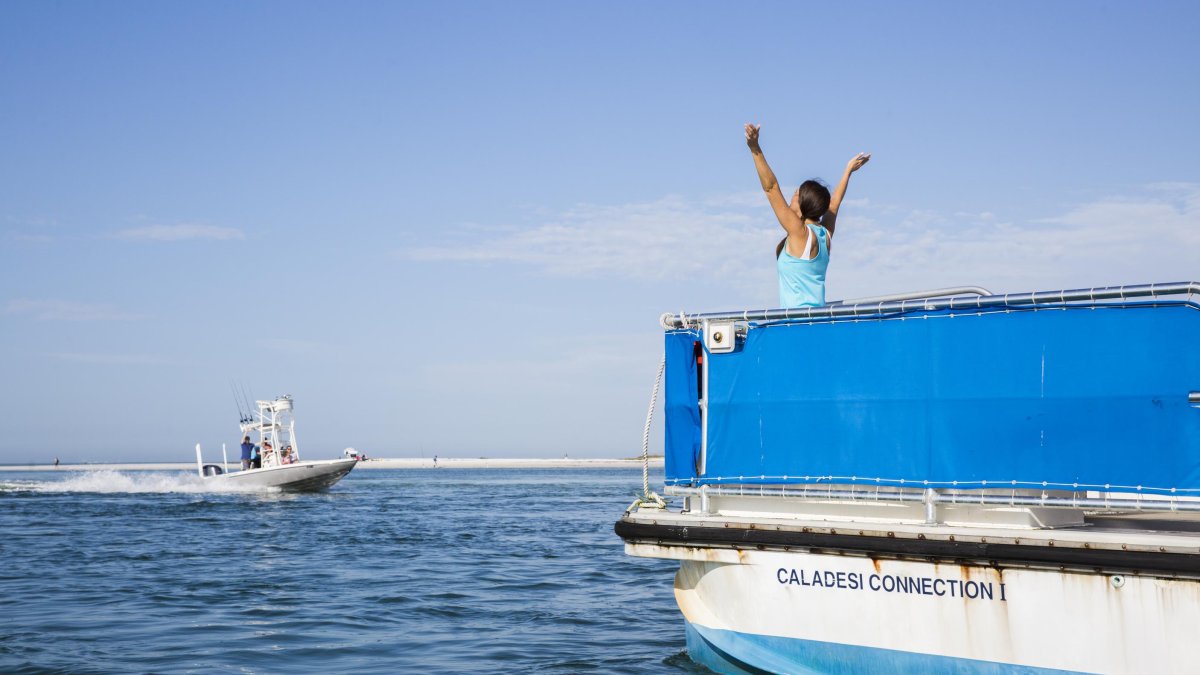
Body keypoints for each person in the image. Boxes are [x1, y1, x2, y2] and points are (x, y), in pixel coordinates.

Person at [745, 123, 870, 308]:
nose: (790, 198)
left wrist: (754, 148)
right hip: (817, 321)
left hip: (796, 325)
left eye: (795, 195)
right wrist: (847, 171)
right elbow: (834, 204)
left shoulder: (799, 233)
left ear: (802, 207)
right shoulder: (824, 235)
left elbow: (771, 188)